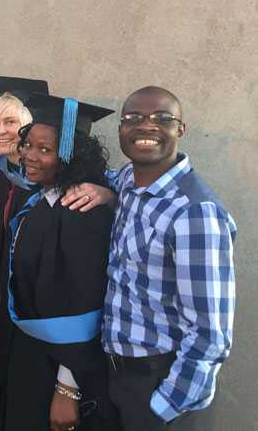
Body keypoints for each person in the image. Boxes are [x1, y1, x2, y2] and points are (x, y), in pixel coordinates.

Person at [101, 86, 236, 430]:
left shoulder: (194, 212)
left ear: (180, 129)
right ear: (121, 129)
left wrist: (162, 409)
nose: (146, 126)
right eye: (133, 118)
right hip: (118, 378)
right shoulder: (127, 182)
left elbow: (210, 334)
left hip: (161, 385)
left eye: (162, 118)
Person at [0, 94, 120, 431]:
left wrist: (67, 387)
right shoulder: (44, 199)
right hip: (33, 352)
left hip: (61, 365)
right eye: (28, 145)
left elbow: (83, 303)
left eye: (45, 149)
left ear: (70, 155)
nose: (29, 155)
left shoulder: (81, 211)